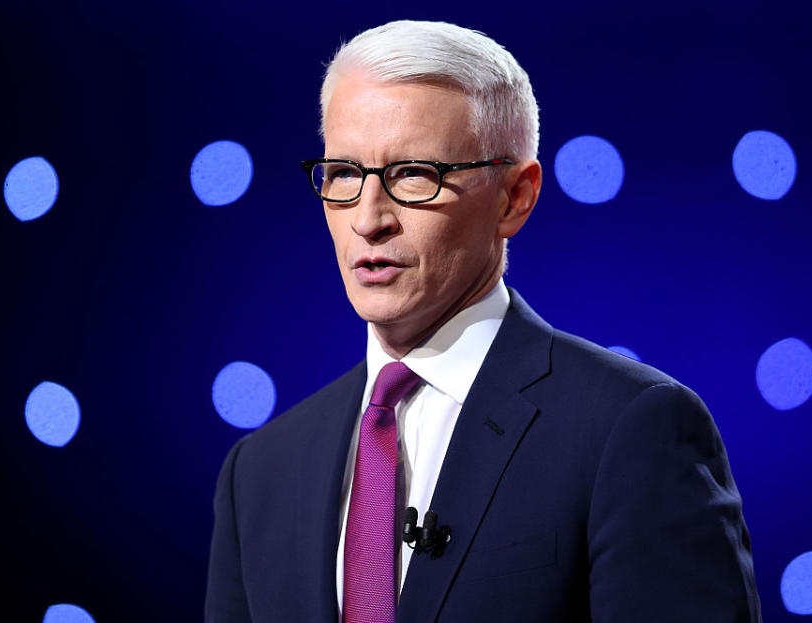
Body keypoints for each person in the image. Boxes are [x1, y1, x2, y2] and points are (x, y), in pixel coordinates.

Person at [205, 20, 761, 623]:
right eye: (343, 174)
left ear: (514, 198)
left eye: (412, 174)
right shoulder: (258, 471)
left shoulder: (632, 428)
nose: (369, 219)